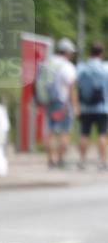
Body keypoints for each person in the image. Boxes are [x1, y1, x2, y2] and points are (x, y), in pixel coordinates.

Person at [36, 37, 78, 169]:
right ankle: (60, 160)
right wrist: (74, 106)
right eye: (71, 52)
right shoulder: (67, 66)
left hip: (48, 102)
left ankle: (50, 160)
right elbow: (71, 87)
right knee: (64, 132)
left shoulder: (47, 63)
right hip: (62, 103)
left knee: (50, 131)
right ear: (67, 52)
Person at [76, 42, 108, 170]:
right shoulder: (105, 68)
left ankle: (82, 161)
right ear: (102, 53)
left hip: (85, 107)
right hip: (102, 107)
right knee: (101, 134)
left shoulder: (82, 67)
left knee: (84, 134)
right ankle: (102, 161)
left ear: (90, 52)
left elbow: (75, 84)